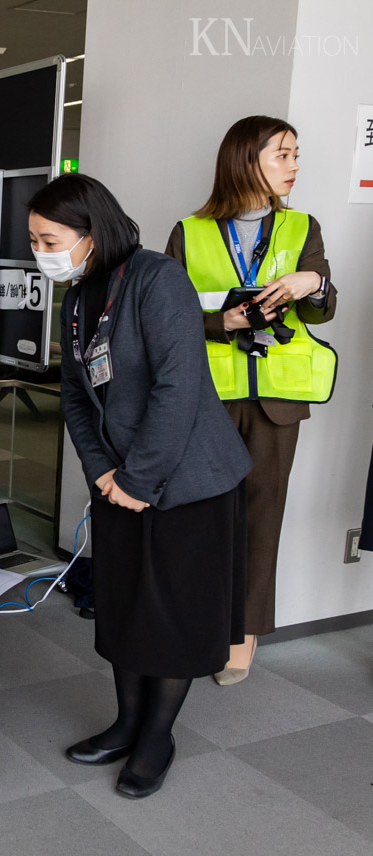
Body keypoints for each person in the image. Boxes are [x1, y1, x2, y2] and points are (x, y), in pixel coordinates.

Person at [34, 173, 252, 799]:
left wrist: (138, 478)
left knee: (173, 614)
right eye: (36, 239)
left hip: (188, 482)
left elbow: (179, 387)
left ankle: (158, 734)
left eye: (50, 239)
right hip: (119, 482)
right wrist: (101, 471)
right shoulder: (78, 298)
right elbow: (76, 395)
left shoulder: (157, 279)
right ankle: (127, 721)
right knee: (124, 606)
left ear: (89, 232)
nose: (42, 251)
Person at [165, 116, 337, 685]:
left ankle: (244, 629)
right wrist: (226, 320)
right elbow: (169, 318)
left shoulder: (302, 227)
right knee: (202, 513)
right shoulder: (188, 233)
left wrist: (313, 284)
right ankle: (199, 617)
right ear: (247, 160)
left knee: (262, 516)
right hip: (210, 394)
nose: (293, 165)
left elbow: (322, 308)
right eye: (282, 155)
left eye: (295, 155)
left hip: (278, 398)